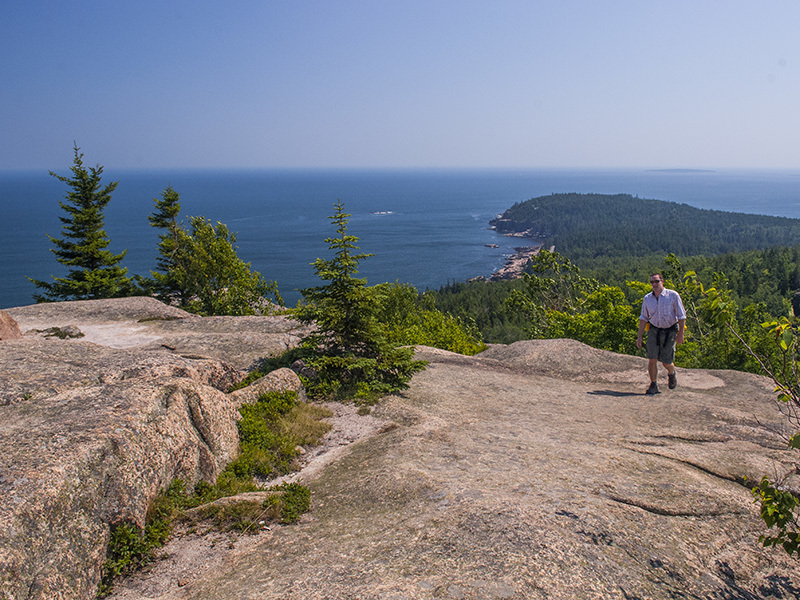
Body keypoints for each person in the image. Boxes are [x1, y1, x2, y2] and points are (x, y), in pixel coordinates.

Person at [636, 273, 686, 395]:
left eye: (656, 281)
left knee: (666, 362)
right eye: (652, 282)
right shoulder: (647, 298)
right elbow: (643, 317)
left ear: (662, 281)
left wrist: (681, 334)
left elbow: (681, 315)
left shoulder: (672, 295)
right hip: (654, 330)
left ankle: (671, 373)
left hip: (670, 331)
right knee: (652, 359)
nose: (654, 284)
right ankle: (653, 385)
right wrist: (640, 336)